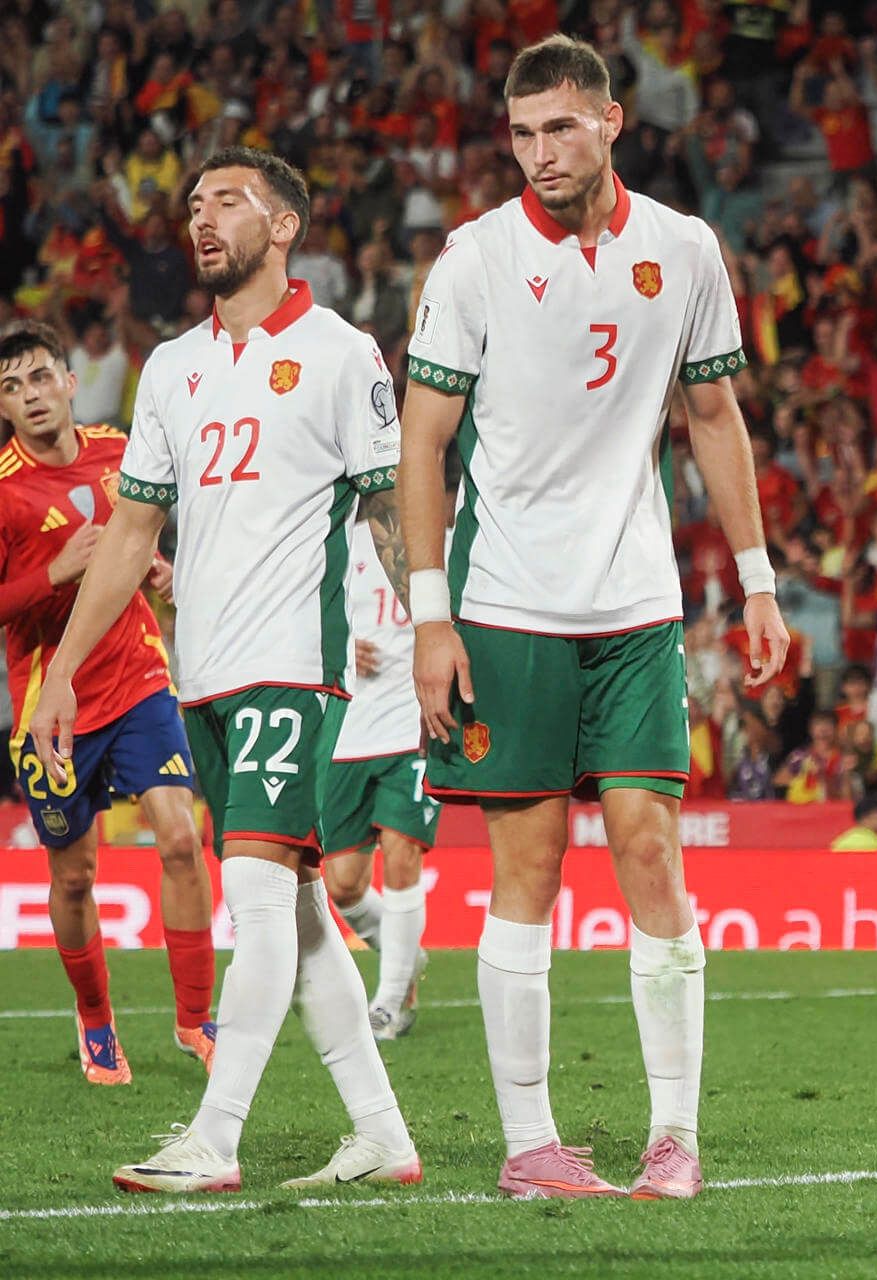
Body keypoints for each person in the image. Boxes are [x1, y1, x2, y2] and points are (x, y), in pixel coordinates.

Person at [398, 37, 789, 1201]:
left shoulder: (685, 246)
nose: (540, 154)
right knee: (527, 867)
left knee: (652, 850)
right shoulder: (473, 258)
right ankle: (531, 1145)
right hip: (507, 603)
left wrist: (758, 578)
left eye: (560, 128)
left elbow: (712, 414)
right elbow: (422, 441)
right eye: (521, 135)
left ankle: (674, 1134)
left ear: (613, 120)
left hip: (637, 605)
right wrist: (432, 616)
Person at [29, 147, 418, 1193]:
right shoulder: (173, 367)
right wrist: (63, 666)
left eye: (229, 201)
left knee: (252, 894)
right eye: (194, 204)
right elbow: (128, 533)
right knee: (293, 911)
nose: (202, 219)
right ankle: (383, 1131)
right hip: (199, 675)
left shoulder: (343, 354)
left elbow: (387, 510)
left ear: (285, 224)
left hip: (293, 666)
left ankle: (216, 1133)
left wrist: (435, 631)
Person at [0, 321, 215, 1086]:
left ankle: (196, 1019)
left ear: (69, 379)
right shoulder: (4, 490)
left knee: (181, 837)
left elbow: (137, 535)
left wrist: (152, 565)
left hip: (136, 679)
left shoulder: (118, 453)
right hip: (49, 711)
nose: (29, 397)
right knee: (74, 878)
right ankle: (96, 1023)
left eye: (39, 378)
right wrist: (52, 571)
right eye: (11, 387)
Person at [321, 483, 451, 1040]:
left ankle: (391, 1000)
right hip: (348, 727)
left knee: (402, 855)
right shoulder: (334, 545)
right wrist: (339, 645)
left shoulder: (442, 545)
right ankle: (404, 955)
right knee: (343, 884)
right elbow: (298, 613)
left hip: (413, 720)